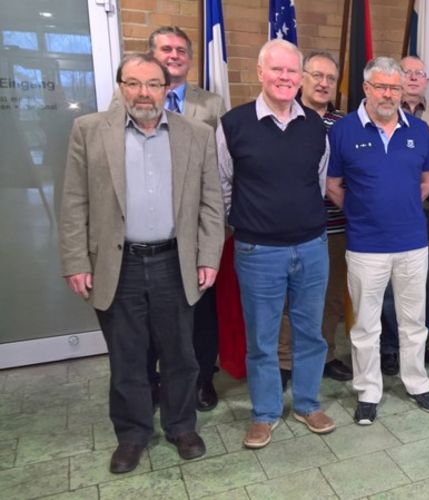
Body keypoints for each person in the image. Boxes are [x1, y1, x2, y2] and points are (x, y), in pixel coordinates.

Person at [59, 53, 224, 473]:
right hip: (120, 266)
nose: (143, 93)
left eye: (153, 84)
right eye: (133, 83)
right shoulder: (90, 131)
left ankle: (181, 426)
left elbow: (210, 203)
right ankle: (132, 435)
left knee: (180, 355)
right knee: (128, 357)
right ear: (120, 86)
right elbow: (74, 201)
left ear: (167, 89)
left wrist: (209, 256)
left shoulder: (196, 134)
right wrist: (76, 261)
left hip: (175, 262)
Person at [217, 39, 335, 448]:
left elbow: (317, 183)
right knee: (262, 339)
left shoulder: (317, 127)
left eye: (291, 71)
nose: (285, 78)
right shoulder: (234, 124)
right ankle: (265, 412)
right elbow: (223, 186)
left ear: (300, 77)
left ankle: (306, 403)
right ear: (260, 73)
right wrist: (251, 222)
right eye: (277, 70)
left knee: (310, 333)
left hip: (312, 247)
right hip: (258, 252)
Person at [327, 57, 429, 426]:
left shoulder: (419, 131)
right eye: (381, 86)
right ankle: (368, 391)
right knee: (365, 325)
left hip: (412, 243)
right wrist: (363, 213)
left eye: (394, 87)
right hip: (365, 246)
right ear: (366, 88)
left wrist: (402, 208)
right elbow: (332, 186)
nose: (388, 94)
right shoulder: (343, 131)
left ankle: (416, 383)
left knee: (413, 321)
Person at [144, 26, 226, 411]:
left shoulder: (210, 104)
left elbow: (222, 166)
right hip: (147, 222)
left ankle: (202, 379)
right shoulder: (129, 99)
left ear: (190, 59)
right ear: (152, 56)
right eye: (166, 49)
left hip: (195, 224)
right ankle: (153, 381)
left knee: (200, 308)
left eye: (180, 50)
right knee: (149, 312)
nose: (174, 55)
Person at [277, 51, 352, 386]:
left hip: (335, 227)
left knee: (331, 297)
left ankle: (326, 355)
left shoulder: (346, 125)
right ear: (301, 78)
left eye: (330, 78)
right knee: (289, 300)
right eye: (317, 76)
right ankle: (285, 362)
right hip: (291, 228)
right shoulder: (285, 117)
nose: (323, 83)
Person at [379, 55, 429, 376]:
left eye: (419, 73)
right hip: (390, 217)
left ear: (427, 81)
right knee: (393, 288)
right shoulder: (381, 110)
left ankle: (423, 340)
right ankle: (392, 346)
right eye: (406, 73)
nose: (413, 78)